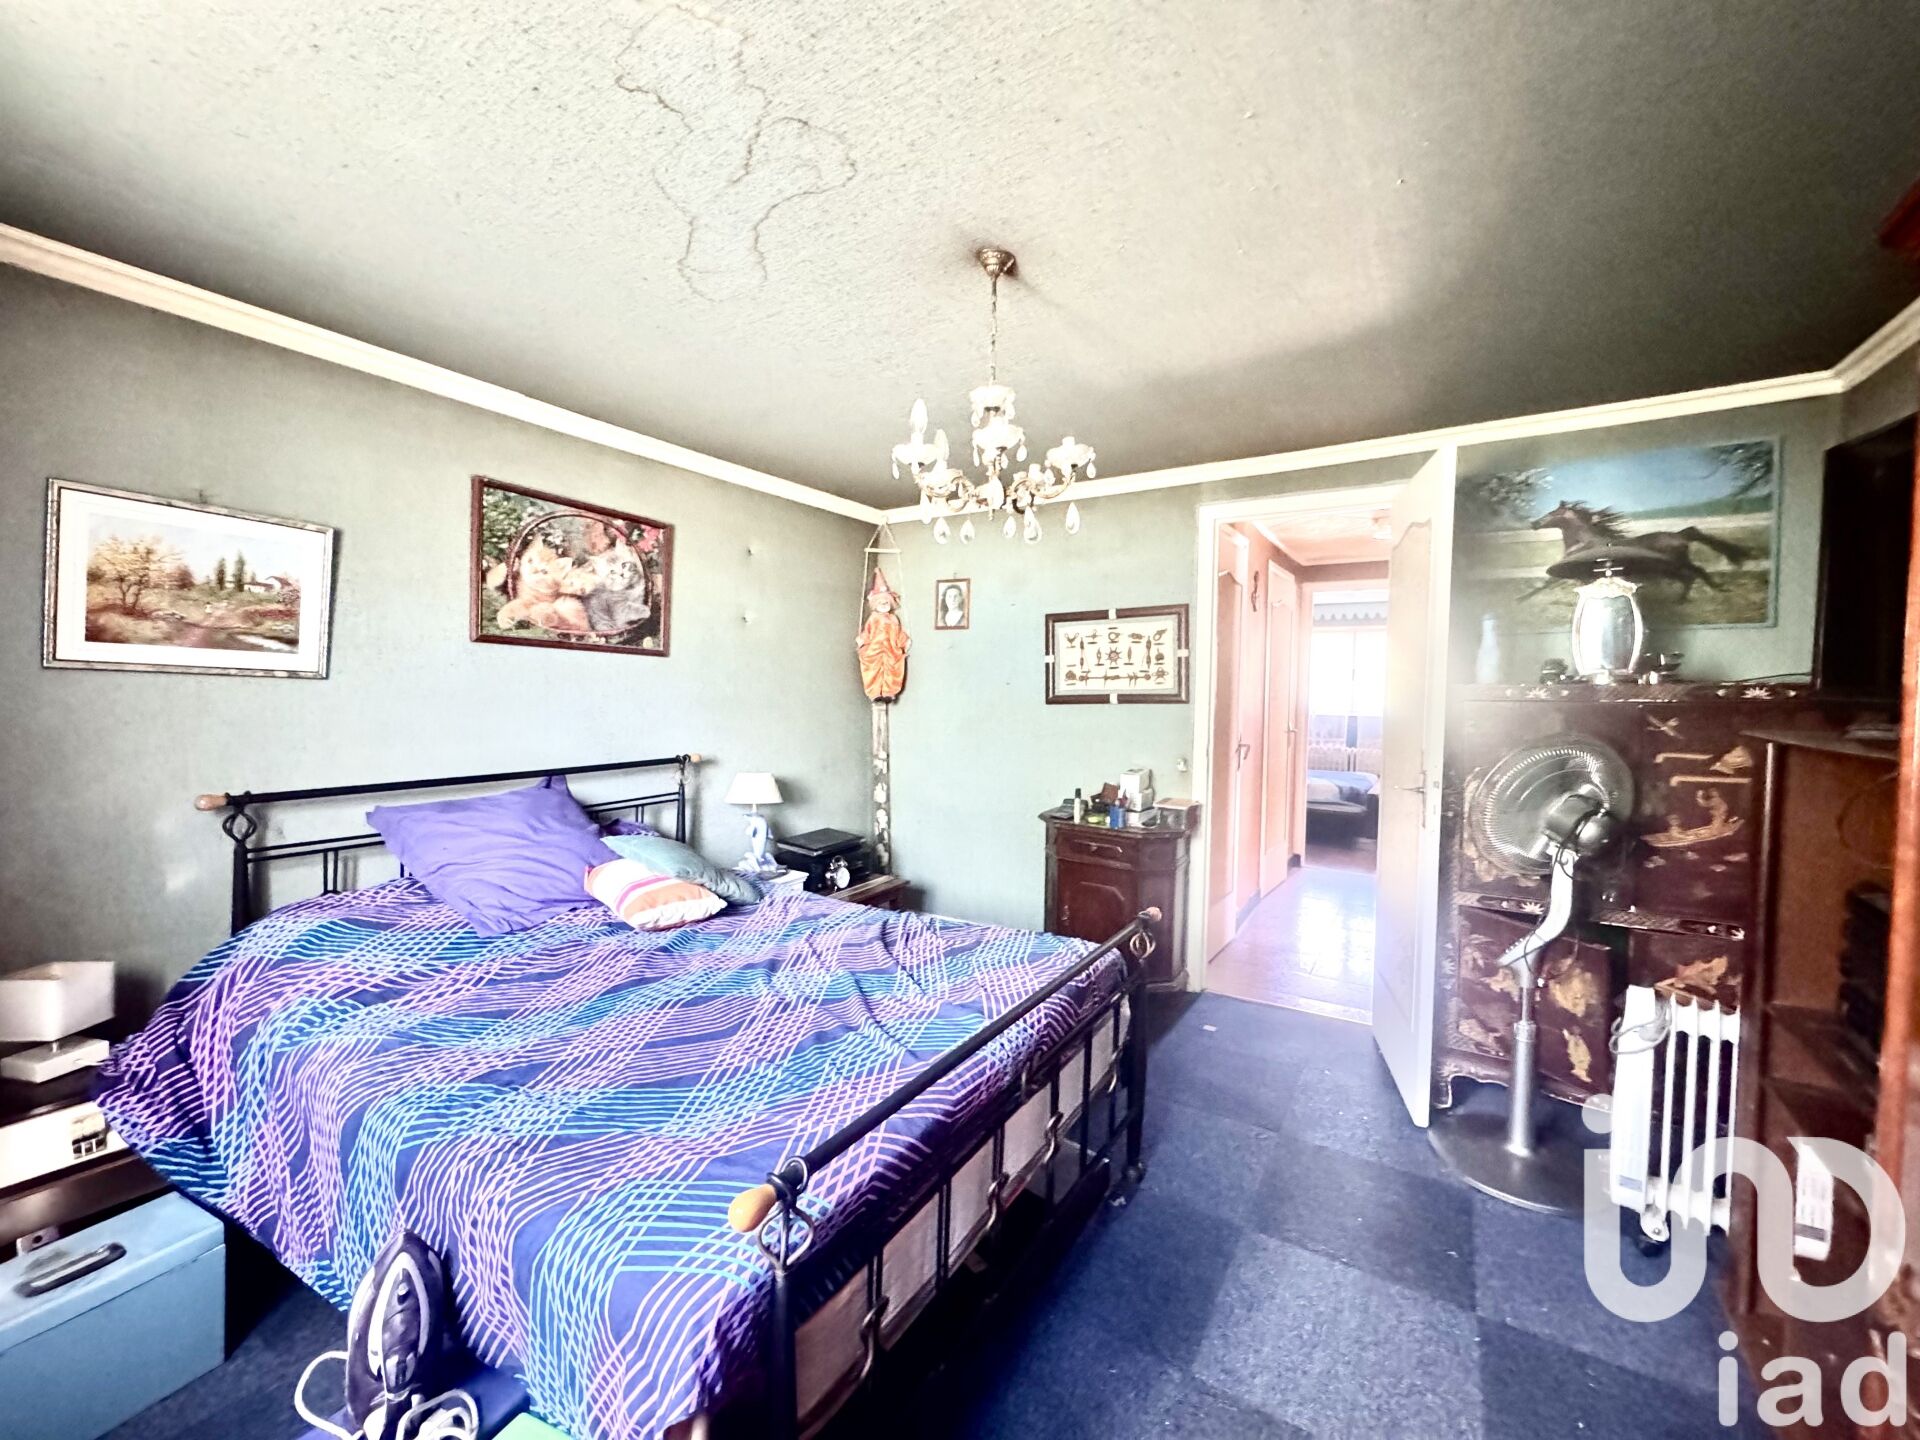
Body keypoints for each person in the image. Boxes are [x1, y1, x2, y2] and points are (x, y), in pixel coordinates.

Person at [856, 569, 909, 700]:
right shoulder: (873, 618)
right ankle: (874, 692)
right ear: (876, 605)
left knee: (892, 668)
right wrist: (862, 639)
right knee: (873, 669)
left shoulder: (893, 618)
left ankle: (889, 691)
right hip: (876, 648)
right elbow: (868, 631)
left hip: (890, 648)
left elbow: (898, 633)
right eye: (881, 603)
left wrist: (904, 641)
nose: (884, 605)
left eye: (886, 603)